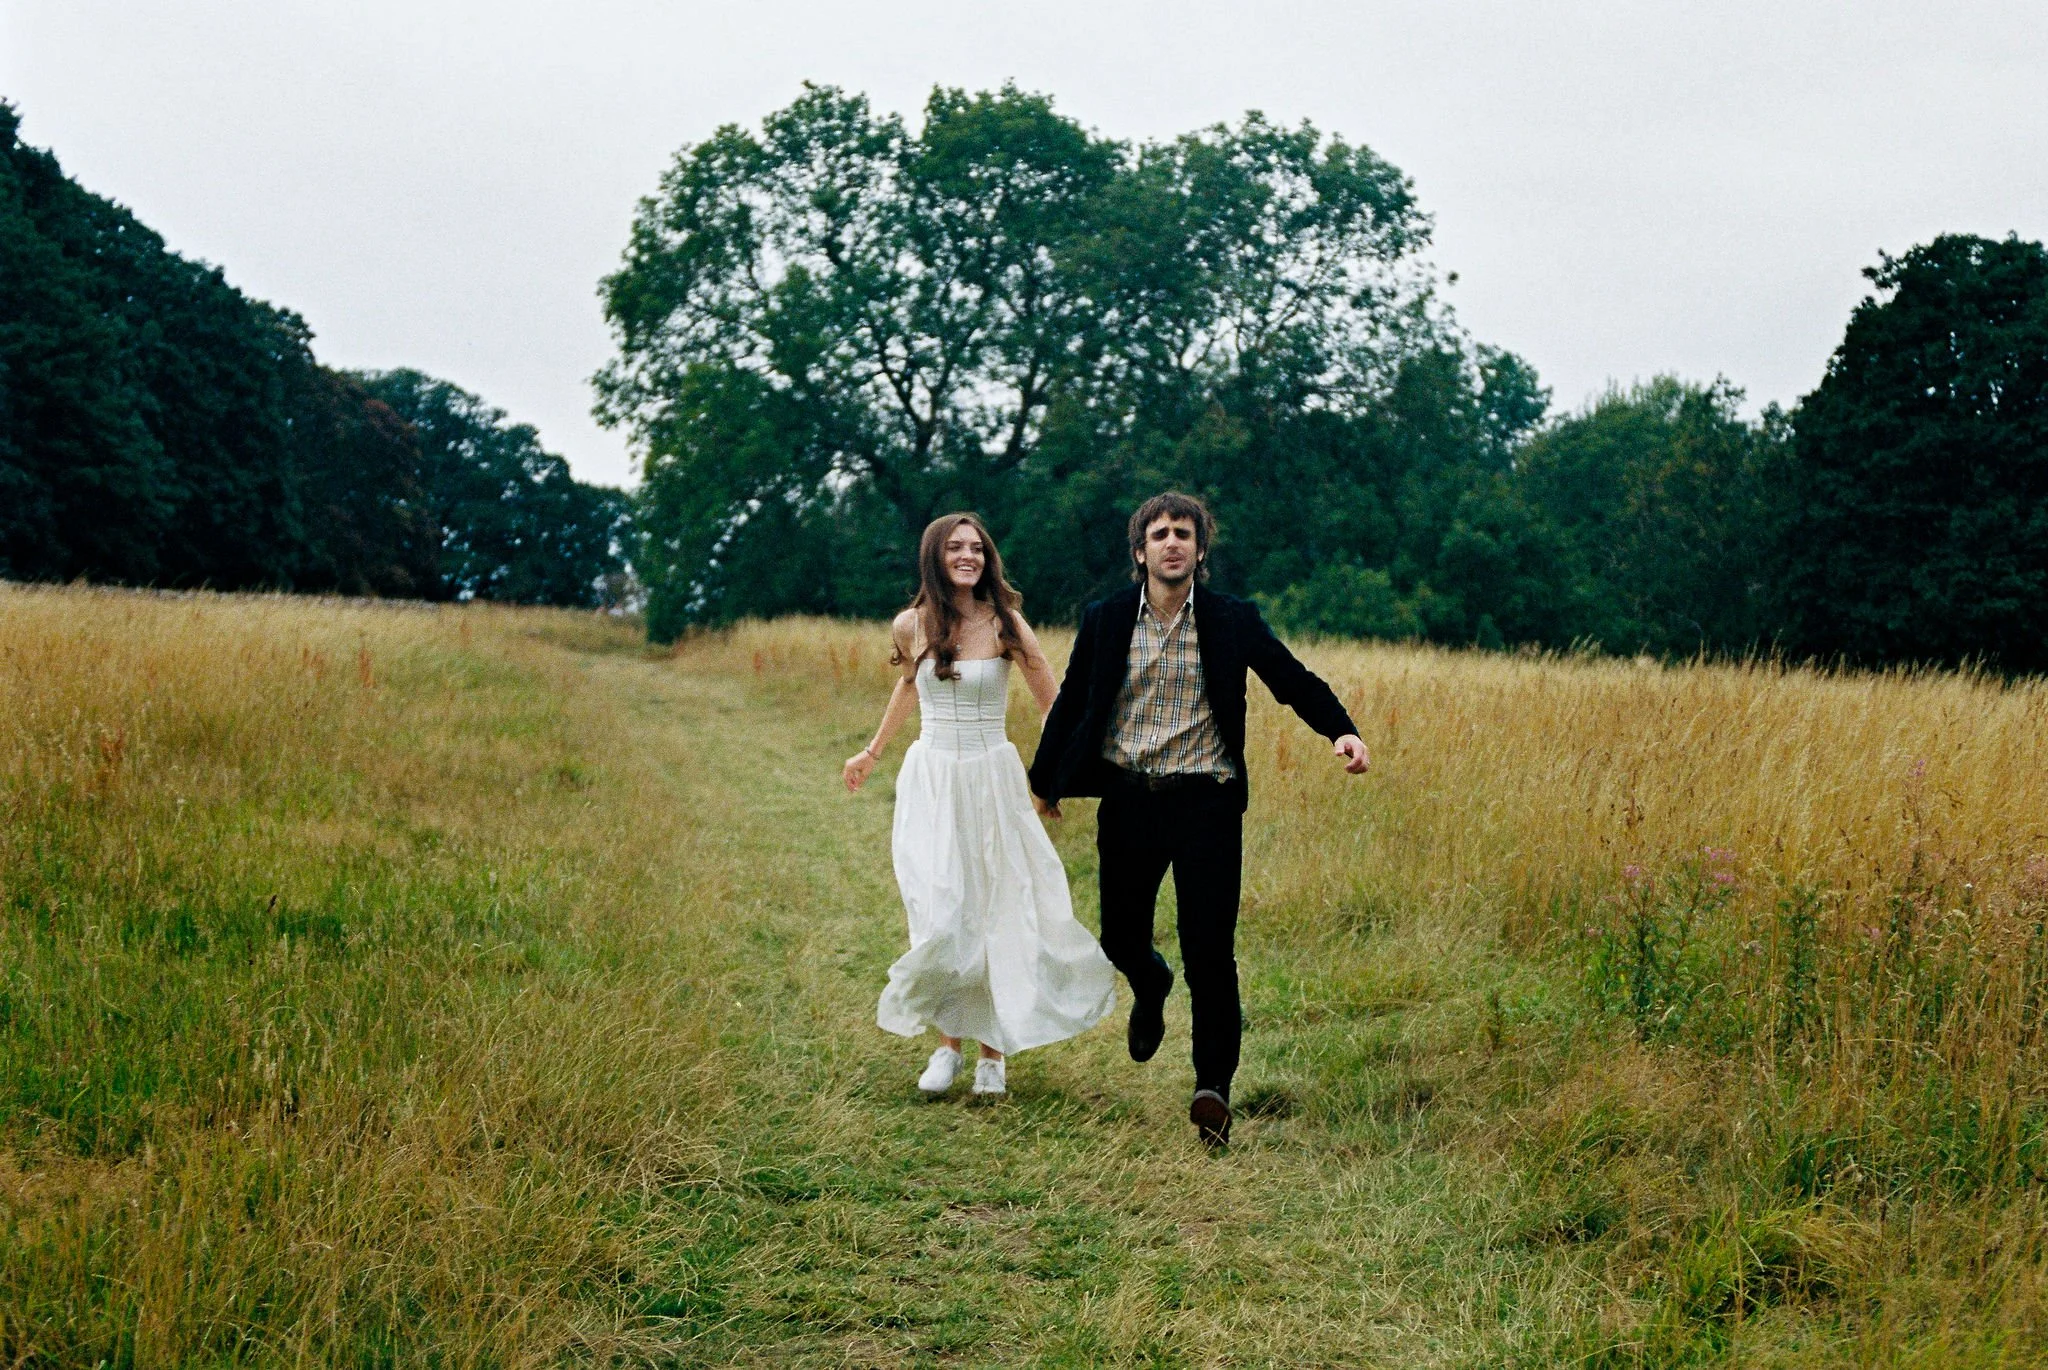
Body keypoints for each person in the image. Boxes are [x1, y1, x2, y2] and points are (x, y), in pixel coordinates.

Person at [1028, 492, 1370, 1147]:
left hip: (1206, 803)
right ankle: (1149, 983)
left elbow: (1290, 678)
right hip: (1129, 798)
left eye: (1184, 533)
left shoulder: (1230, 620)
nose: (1172, 542)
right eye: (1159, 534)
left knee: (1210, 950)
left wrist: (1342, 732)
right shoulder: (1104, 620)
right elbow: (1074, 700)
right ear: (1140, 551)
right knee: (1121, 939)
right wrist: (1046, 782)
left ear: (1200, 550)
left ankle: (1213, 1090)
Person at [845, 513, 1117, 1098]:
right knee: (943, 909)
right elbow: (908, 687)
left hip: (992, 776)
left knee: (997, 906)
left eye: (976, 548)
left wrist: (1058, 777)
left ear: (987, 558)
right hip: (933, 778)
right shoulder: (911, 624)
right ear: (934, 558)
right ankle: (947, 1047)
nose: (967, 556)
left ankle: (992, 1056)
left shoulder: (1006, 623)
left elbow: (1054, 704)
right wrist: (872, 752)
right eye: (955, 548)